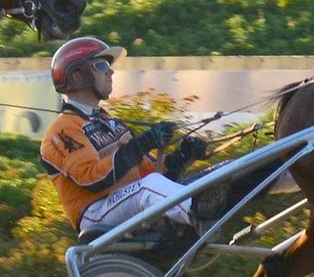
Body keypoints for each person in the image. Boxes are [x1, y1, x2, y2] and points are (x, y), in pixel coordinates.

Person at [40, 37, 208, 238]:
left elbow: (151, 173)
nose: (111, 72)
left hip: (129, 200)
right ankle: (203, 214)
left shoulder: (110, 123)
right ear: (78, 75)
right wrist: (141, 145)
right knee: (150, 187)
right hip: (96, 214)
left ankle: (213, 207)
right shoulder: (61, 131)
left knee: (202, 178)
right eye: (102, 65)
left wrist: (183, 156)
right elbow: (92, 178)